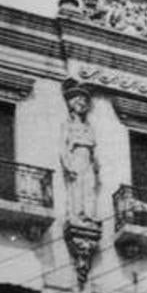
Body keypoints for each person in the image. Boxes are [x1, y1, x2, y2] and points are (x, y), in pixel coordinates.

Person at [59, 79, 100, 223]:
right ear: (72, 105)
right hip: (76, 157)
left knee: (89, 186)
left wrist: (95, 163)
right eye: (78, 102)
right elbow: (63, 147)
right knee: (77, 185)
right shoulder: (68, 125)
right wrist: (67, 164)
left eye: (84, 103)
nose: (82, 105)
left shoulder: (89, 127)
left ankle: (89, 214)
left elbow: (94, 148)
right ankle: (77, 214)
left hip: (88, 158)